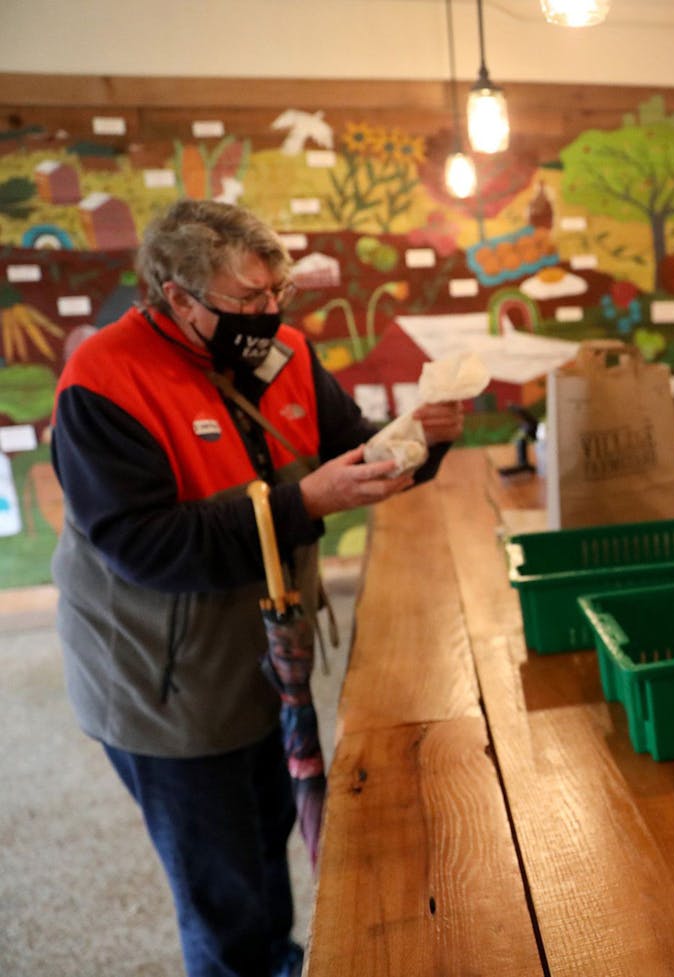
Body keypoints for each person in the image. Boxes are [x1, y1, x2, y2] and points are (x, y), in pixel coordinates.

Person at [49, 199, 465, 977]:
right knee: (222, 887)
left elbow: (353, 452)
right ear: (176, 295)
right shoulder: (102, 381)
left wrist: (421, 439)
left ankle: (278, 958)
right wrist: (303, 502)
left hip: (269, 656)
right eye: (247, 299)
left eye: (279, 292)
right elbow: (147, 545)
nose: (269, 313)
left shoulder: (286, 355)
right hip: (162, 679)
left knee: (269, 831)